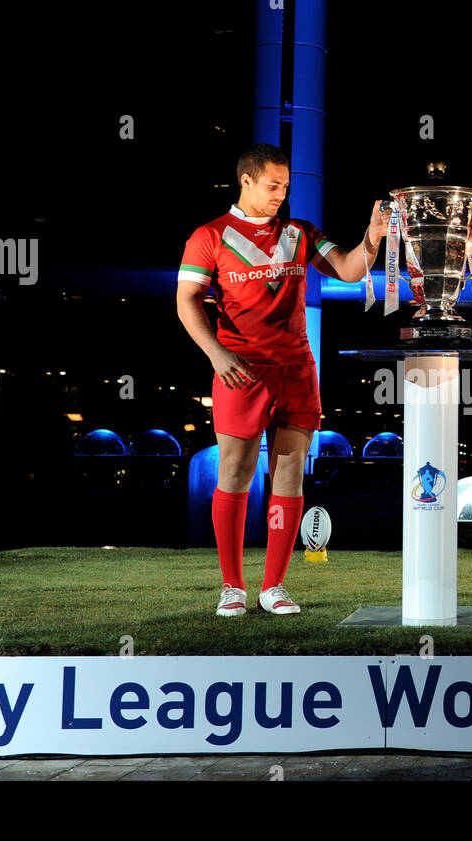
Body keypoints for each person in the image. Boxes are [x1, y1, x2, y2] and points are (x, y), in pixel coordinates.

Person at [176, 143, 387, 617]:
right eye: (273, 186)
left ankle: (274, 586)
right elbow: (186, 299)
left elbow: (351, 271)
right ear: (245, 180)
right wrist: (216, 353)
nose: (280, 195)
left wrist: (371, 237)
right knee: (235, 472)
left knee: (289, 473)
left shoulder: (300, 232)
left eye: (286, 187)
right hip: (241, 370)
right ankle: (232, 586)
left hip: (296, 370)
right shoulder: (209, 236)